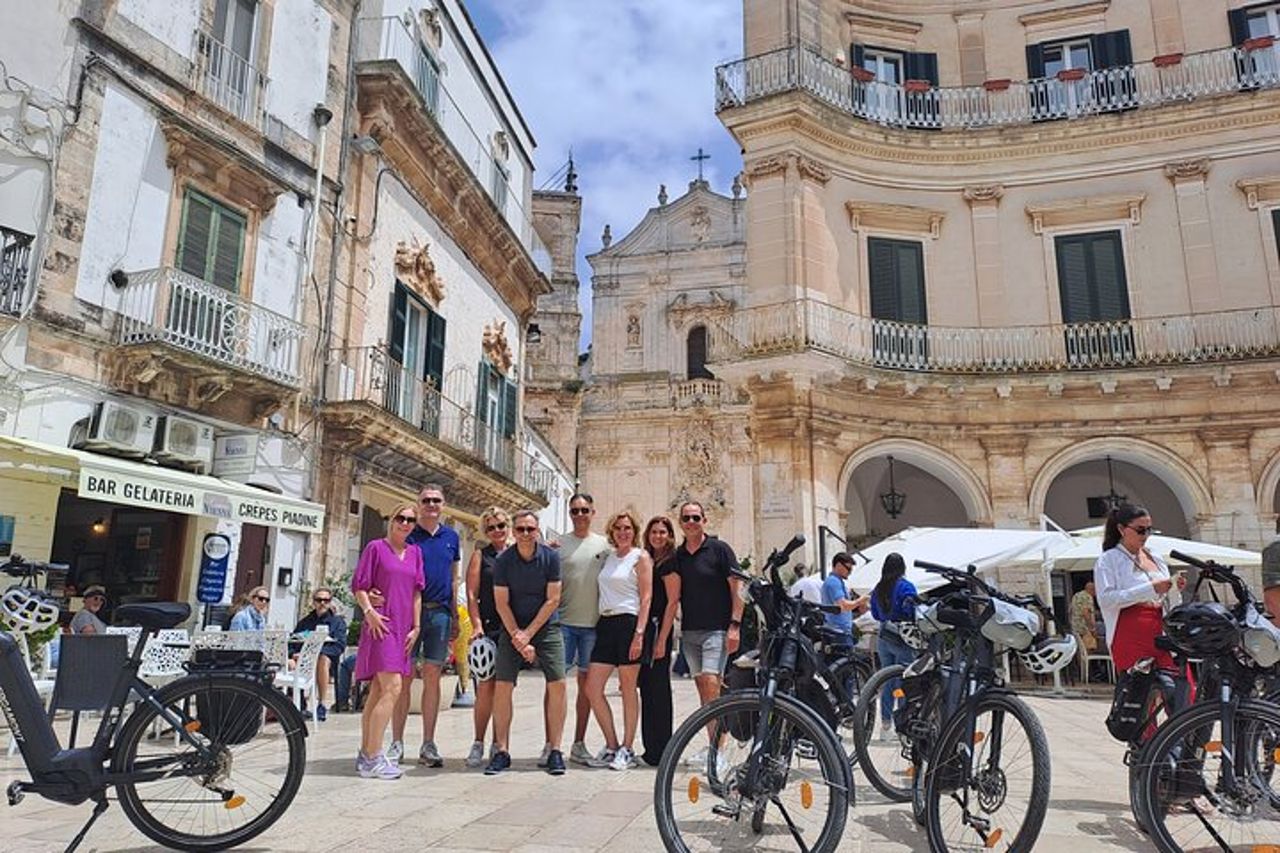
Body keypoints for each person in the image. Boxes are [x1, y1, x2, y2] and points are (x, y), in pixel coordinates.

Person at [486, 509, 567, 776]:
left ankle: (555, 749)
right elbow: (501, 602)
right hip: (512, 627)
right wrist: (518, 636)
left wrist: (528, 635)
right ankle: (502, 749)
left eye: (529, 529)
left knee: (558, 683)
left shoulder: (551, 558)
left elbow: (553, 599)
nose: (524, 534)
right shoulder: (504, 561)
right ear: (513, 531)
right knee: (503, 685)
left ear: (537, 530)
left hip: (545, 626)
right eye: (519, 529)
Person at [390, 483, 460, 768]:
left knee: (433, 675)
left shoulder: (452, 537)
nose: (431, 505)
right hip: (407, 615)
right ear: (419, 504)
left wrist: (456, 615)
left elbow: (454, 578)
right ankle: (396, 742)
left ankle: (428, 743)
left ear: (443, 505)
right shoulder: (408, 534)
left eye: (436, 500)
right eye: (426, 500)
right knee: (403, 677)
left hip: (440, 614)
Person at [352, 502, 424, 780]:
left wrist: (416, 626)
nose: (405, 523)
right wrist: (369, 611)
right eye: (400, 518)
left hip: (404, 627)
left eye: (410, 520)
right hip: (381, 623)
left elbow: (417, 591)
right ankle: (373, 756)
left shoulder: (415, 553)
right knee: (393, 687)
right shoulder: (375, 548)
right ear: (391, 519)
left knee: (379, 691)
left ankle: (365, 753)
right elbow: (359, 585)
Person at [583, 509, 653, 771]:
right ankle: (611, 744)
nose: (623, 532)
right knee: (592, 688)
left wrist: (639, 633)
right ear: (611, 532)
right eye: (618, 528)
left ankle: (628, 747)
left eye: (627, 528)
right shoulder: (609, 557)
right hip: (606, 623)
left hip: (629, 623)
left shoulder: (640, 557)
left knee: (627, 689)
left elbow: (646, 597)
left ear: (634, 531)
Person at [1094, 504, 1187, 675]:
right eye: (1140, 530)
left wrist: (1174, 589)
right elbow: (1106, 599)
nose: (1145, 535)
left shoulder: (1155, 556)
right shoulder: (1109, 559)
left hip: (1162, 627)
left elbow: (1166, 598)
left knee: (1180, 687)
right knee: (1142, 691)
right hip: (1130, 630)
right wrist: (1151, 588)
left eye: (1149, 530)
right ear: (1122, 529)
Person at [670, 501, 743, 716]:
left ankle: (717, 747)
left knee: (712, 683)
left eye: (695, 517)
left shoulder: (720, 550)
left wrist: (735, 626)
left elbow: (737, 588)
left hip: (717, 630)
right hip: (690, 632)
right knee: (704, 689)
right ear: (680, 523)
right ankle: (715, 743)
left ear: (704, 520)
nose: (691, 522)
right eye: (686, 518)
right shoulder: (678, 555)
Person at [557, 492, 610, 766]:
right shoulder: (558, 544)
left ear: (593, 512)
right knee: (556, 686)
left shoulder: (605, 545)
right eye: (575, 510)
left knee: (587, 687)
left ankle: (578, 743)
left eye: (584, 510)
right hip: (564, 624)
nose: (580, 515)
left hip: (592, 627)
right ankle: (551, 744)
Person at [463, 506, 511, 767]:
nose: (497, 531)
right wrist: (477, 625)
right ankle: (478, 741)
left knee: (505, 689)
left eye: (501, 525)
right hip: (489, 627)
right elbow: (472, 594)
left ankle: (499, 743)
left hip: (511, 629)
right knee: (485, 688)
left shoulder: (518, 554)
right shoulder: (481, 556)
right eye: (491, 527)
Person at [639, 514, 681, 766]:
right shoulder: (647, 559)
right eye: (654, 532)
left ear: (669, 536)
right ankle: (650, 748)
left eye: (662, 532)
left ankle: (662, 747)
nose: (657, 536)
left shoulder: (669, 564)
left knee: (659, 689)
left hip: (658, 628)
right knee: (647, 688)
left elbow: (672, 602)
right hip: (647, 628)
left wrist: (663, 638)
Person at [869, 552, 917, 741]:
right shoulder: (906, 586)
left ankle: (885, 723)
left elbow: (875, 614)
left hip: (883, 636)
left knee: (887, 681)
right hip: (902, 637)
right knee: (904, 682)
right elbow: (911, 609)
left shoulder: (878, 588)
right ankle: (902, 724)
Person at [290, 587, 347, 721]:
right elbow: (293, 641)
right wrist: (294, 654)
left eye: (326, 600)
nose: (322, 603)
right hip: (305, 659)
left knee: (322, 659)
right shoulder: (305, 622)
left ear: (330, 602)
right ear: (313, 602)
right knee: (292, 661)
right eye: (319, 600)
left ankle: (321, 703)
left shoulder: (337, 622)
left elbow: (340, 646)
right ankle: (299, 704)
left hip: (327, 659)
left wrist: (315, 653)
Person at [821, 553, 870, 650]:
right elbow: (843, 605)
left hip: (838, 631)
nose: (850, 572)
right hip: (839, 632)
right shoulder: (833, 582)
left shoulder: (836, 582)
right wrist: (860, 600)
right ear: (839, 565)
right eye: (848, 569)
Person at [1071, 581, 1100, 652]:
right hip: (1085, 630)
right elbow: (1086, 613)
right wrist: (1092, 629)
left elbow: (1070, 610)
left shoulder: (1076, 595)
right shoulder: (1087, 597)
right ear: (1092, 589)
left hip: (1075, 628)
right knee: (1089, 650)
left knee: (1080, 652)